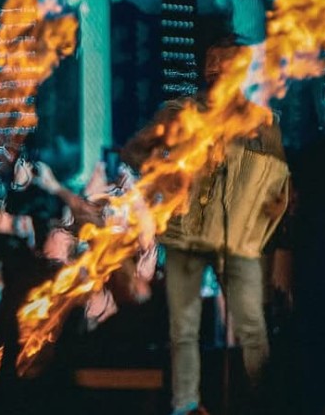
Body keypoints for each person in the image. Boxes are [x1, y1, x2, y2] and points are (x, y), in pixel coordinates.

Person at [123, 40, 290, 415]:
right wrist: (166, 175)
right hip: (188, 234)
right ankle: (186, 405)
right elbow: (134, 151)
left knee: (251, 325)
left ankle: (263, 400)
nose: (217, 73)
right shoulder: (180, 112)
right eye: (212, 66)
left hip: (237, 237)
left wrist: (263, 224)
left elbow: (280, 185)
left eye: (225, 67)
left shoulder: (261, 121)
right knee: (184, 327)